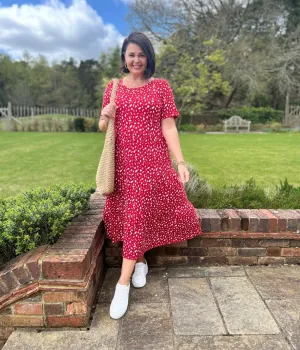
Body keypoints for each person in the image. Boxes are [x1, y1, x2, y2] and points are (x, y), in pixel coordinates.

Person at [99, 32, 202, 319]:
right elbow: (102, 128)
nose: (136, 60)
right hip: (123, 165)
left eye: (141, 54)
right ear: (124, 58)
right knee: (133, 215)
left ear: (148, 57)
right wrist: (105, 116)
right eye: (131, 54)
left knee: (137, 214)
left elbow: (169, 127)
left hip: (152, 163)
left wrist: (180, 161)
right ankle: (140, 261)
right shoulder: (114, 87)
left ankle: (122, 284)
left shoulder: (161, 88)